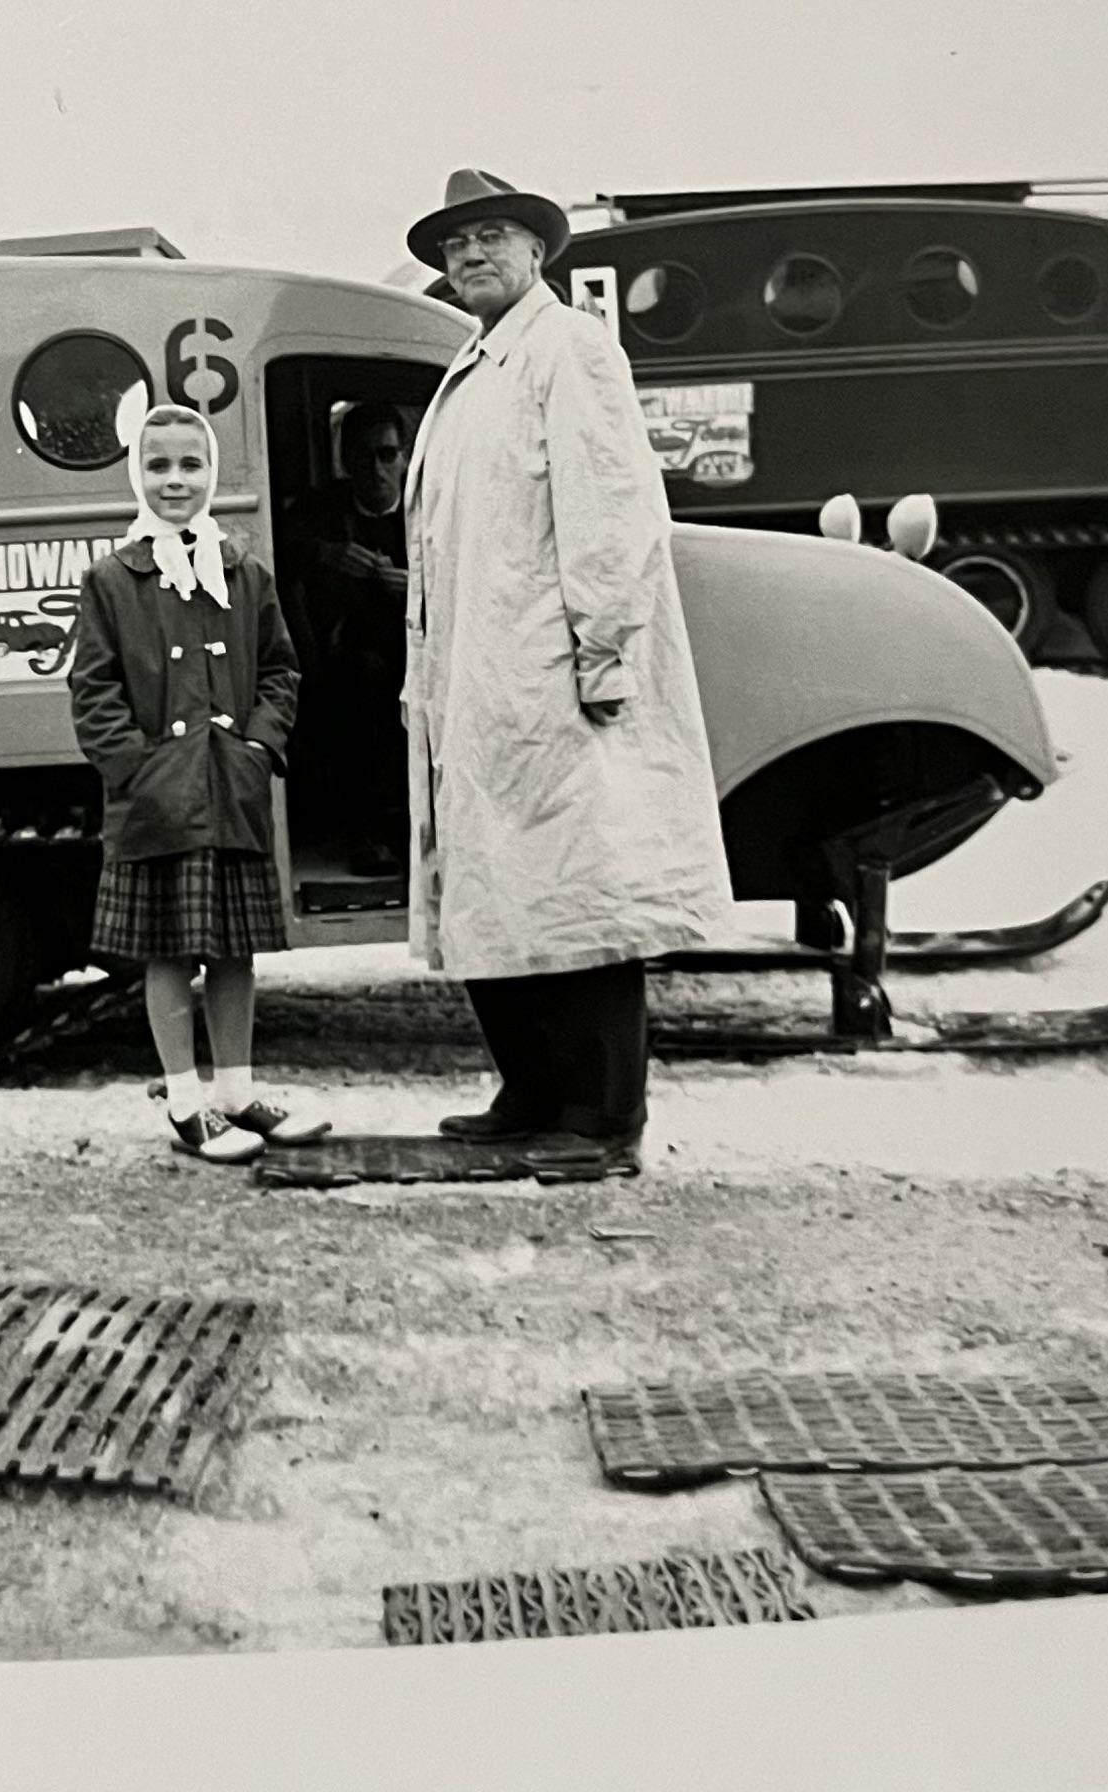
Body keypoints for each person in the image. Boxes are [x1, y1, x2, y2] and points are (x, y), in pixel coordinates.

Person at [400, 169, 734, 1172]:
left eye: (492, 236)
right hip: (479, 679)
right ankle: (531, 1090)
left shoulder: (569, 351)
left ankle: (601, 1112)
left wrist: (603, 656)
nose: (471, 256)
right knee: (499, 894)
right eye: (457, 244)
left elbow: (612, 514)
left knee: (583, 893)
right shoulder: (475, 368)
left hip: (551, 672)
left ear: (537, 250)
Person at [67, 403, 329, 1164]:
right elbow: (93, 691)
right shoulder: (112, 579)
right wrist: (138, 770)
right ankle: (185, 1099)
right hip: (159, 800)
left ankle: (238, 1091)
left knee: (235, 951)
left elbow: (281, 670)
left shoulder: (243, 573)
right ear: (137, 475)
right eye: (158, 466)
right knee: (170, 951)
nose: (174, 480)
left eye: (189, 465)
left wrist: (258, 748)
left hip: (231, 789)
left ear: (212, 473)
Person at [296, 403, 412, 876]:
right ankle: (373, 832)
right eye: (363, 457)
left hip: (423, 647)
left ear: (405, 458)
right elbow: (274, 548)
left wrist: (418, 585)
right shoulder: (321, 511)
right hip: (351, 658)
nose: (376, 470)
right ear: (345, 462)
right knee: (363, 683)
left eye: (387, 455)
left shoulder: (430, 508)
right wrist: (328, 554)